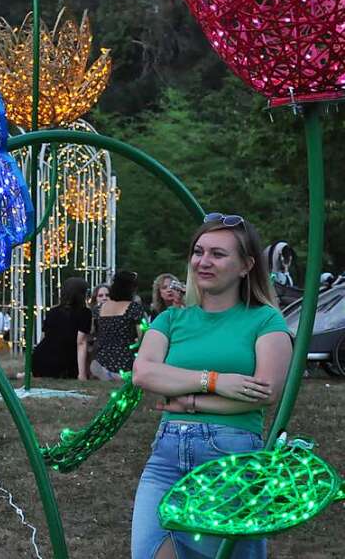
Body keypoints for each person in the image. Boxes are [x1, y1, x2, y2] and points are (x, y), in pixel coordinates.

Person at [131, 214, 292, 559]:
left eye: (218, 254)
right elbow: (143, 373)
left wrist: (188, 400)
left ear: (246, 265)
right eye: (198, 251)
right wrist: (218, 381)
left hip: (230, 461)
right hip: (165, 460)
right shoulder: (171, 319)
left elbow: (264, 393)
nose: (203, 261)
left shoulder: (265, 320)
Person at [30, 277, 92, 380]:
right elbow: (81, 342)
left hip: (41, 359)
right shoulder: (84, 313)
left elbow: (44, 337)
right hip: (64, 362)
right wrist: (82, 374)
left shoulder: (52, 311)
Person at [90, 272, 146, 381]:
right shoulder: (134, 308)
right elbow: (142, 338)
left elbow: (92, 331)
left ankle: (107, 373)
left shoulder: (99, 309)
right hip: (125, 358)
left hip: (102, 357)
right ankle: (119, 375)